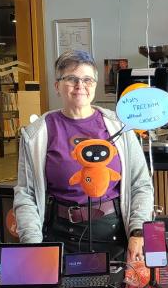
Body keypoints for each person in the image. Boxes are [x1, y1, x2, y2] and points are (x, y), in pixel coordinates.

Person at [13, 50, 153, 265]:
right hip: (58, 234)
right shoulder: (36, 133)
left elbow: (140, 185)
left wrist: (138, 231)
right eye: (71, 79)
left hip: (113, 233)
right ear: (57, 86)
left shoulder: (119, 127)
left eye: (87, 79)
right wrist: (33, 244)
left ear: (95, 85)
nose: (80, 85)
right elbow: (27, 193)